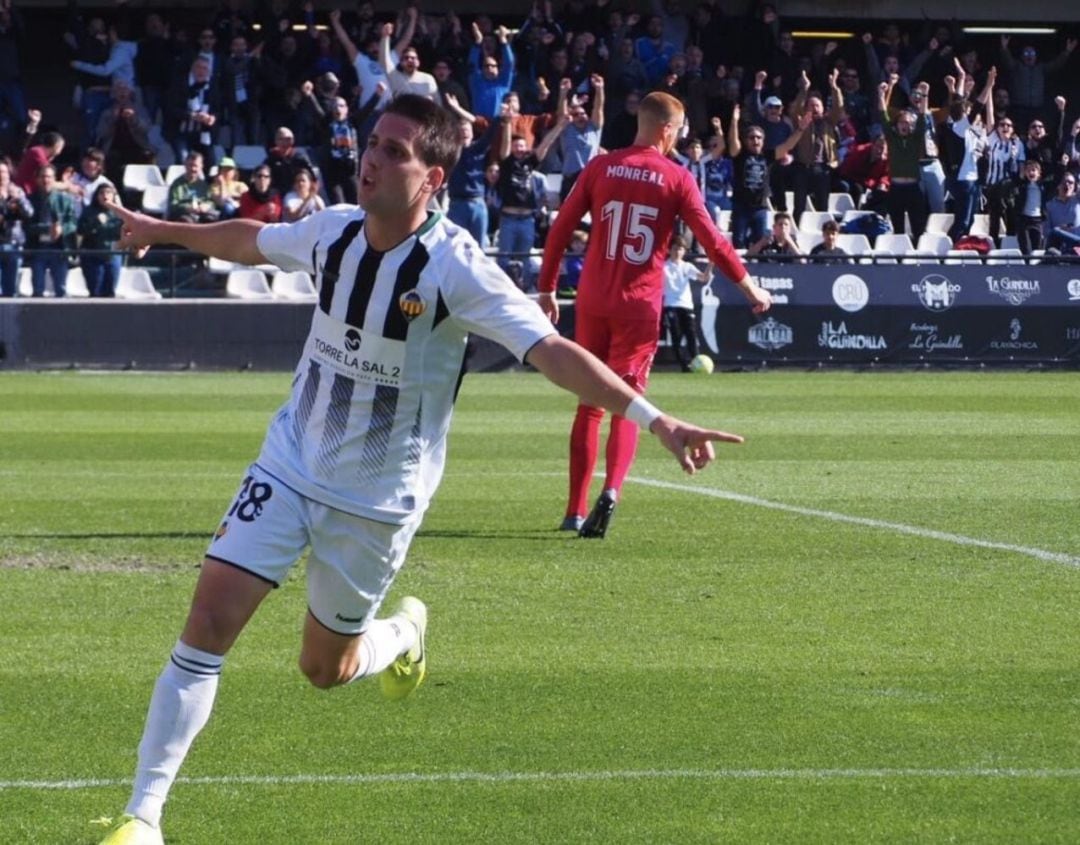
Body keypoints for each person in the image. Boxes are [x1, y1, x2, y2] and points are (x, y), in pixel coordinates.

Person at [95, 93, 746, 845]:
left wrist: (655, 418)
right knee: (206, 622)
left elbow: (556, 352)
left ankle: (402, 634)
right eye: (375, 143)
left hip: (377, 499)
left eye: (397, 151)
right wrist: (159, 229)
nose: (373, 158)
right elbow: (253, 238)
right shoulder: (333, 231)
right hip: (287, 463)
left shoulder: (455, 268)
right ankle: (143, 816)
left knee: (323, 669)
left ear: (433, 178)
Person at [536, 91, 772, 538]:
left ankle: (572, 510)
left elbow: (560, 230)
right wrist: (748, 285)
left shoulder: (601, 167)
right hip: (639, 304)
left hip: (592, 299)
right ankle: (611, 492)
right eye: (679, 131)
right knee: (628, 404)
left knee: (590, 403)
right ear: (667, 129)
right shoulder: (677, 177)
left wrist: (547, 288)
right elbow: (713, 241)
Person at [25, 164, 77, 297]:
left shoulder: (65, 199)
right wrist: (47, 229)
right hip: (38, 248)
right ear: (37, 179)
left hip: (59, 248)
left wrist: (61, 229)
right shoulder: (30, 200)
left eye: (48, 176)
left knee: (61, 289)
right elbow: (25, 225)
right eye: (42, 176)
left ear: (54, 179)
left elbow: (72, 223)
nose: (45, 180)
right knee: (37, 289)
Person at [661, 235, 709, 371]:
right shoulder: (663, 267)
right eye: (675, 249)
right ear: (670, 250)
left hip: (686, 305)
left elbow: (703, 278)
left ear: (684, 251)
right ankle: (684, 366)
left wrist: (711, 264)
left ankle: (697, 362)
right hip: (670, 305)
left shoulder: (687, 266)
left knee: (691, 335)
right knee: (676, 335)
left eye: (681, 249)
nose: (677, 252)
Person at [77, 182, 124, 296]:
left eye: (108, 192)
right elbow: (80, 230)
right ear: (96, 196)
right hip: (92, 256)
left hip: (113, 255)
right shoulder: (89, 211)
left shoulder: (120, 213)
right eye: (101, 193)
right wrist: (95, 223)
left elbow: (123, 232)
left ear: (114, 196)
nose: (105, 195)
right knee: (95, 291)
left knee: (110, 291)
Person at [0, 156, 32, 297]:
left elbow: (29, 213)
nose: (1, 176)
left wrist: (19, 200)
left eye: (4, 172)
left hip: (14, 242)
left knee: (11, 286)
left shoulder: (17, 191)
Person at [167, 152, 218, 224]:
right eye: (190, 165)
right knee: (186, 221)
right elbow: (173, 205)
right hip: (185, 214)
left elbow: (210, 201)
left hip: (202, 212)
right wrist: (187, 208)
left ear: (201, 166)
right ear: (185, 165)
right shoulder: (177, 184)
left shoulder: (203, 184)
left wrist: (207, 206)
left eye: (195, 166)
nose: (193, 169)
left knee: (213, 218)